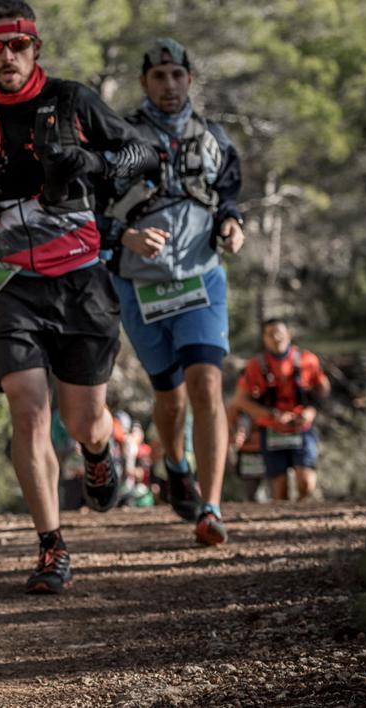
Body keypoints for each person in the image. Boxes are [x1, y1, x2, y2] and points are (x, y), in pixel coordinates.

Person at [0, 0, 158, 593]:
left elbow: (144, 152)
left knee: (84, 417)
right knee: (27, 404)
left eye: (19, 45)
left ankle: (97, 453)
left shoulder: (72, 100)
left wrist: (88, 163)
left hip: (82, 281)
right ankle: (51, 545)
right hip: (8, 282)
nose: (8, 56)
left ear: (35, 47)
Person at [100, 37, 245, 546]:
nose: (169, 84)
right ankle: (175, 462)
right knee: (170, 394)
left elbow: (229, 195)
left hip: (201, 276)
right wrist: (127, 236)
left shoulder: (215, 138)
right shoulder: (120, 137)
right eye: (158, 76)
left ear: (190, 79)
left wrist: (231, 224)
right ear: (144, 82)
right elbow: (92, 210)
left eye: (177, 75)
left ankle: (211, 507)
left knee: (207, 382)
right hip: (139, 284)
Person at [228, 318, 331, 501]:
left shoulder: (308, 359)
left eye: (279, 333)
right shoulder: (255, 365)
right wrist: (271, 415)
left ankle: (300, 513)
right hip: (271, 429)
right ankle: (285, 523)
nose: (276, 337)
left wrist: (311, 411)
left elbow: (323, 390)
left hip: (302, 428)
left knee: (306, 483)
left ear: (288, 334)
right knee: (279, 489)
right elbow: (240, 400)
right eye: (270, 334)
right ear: (264, 338)